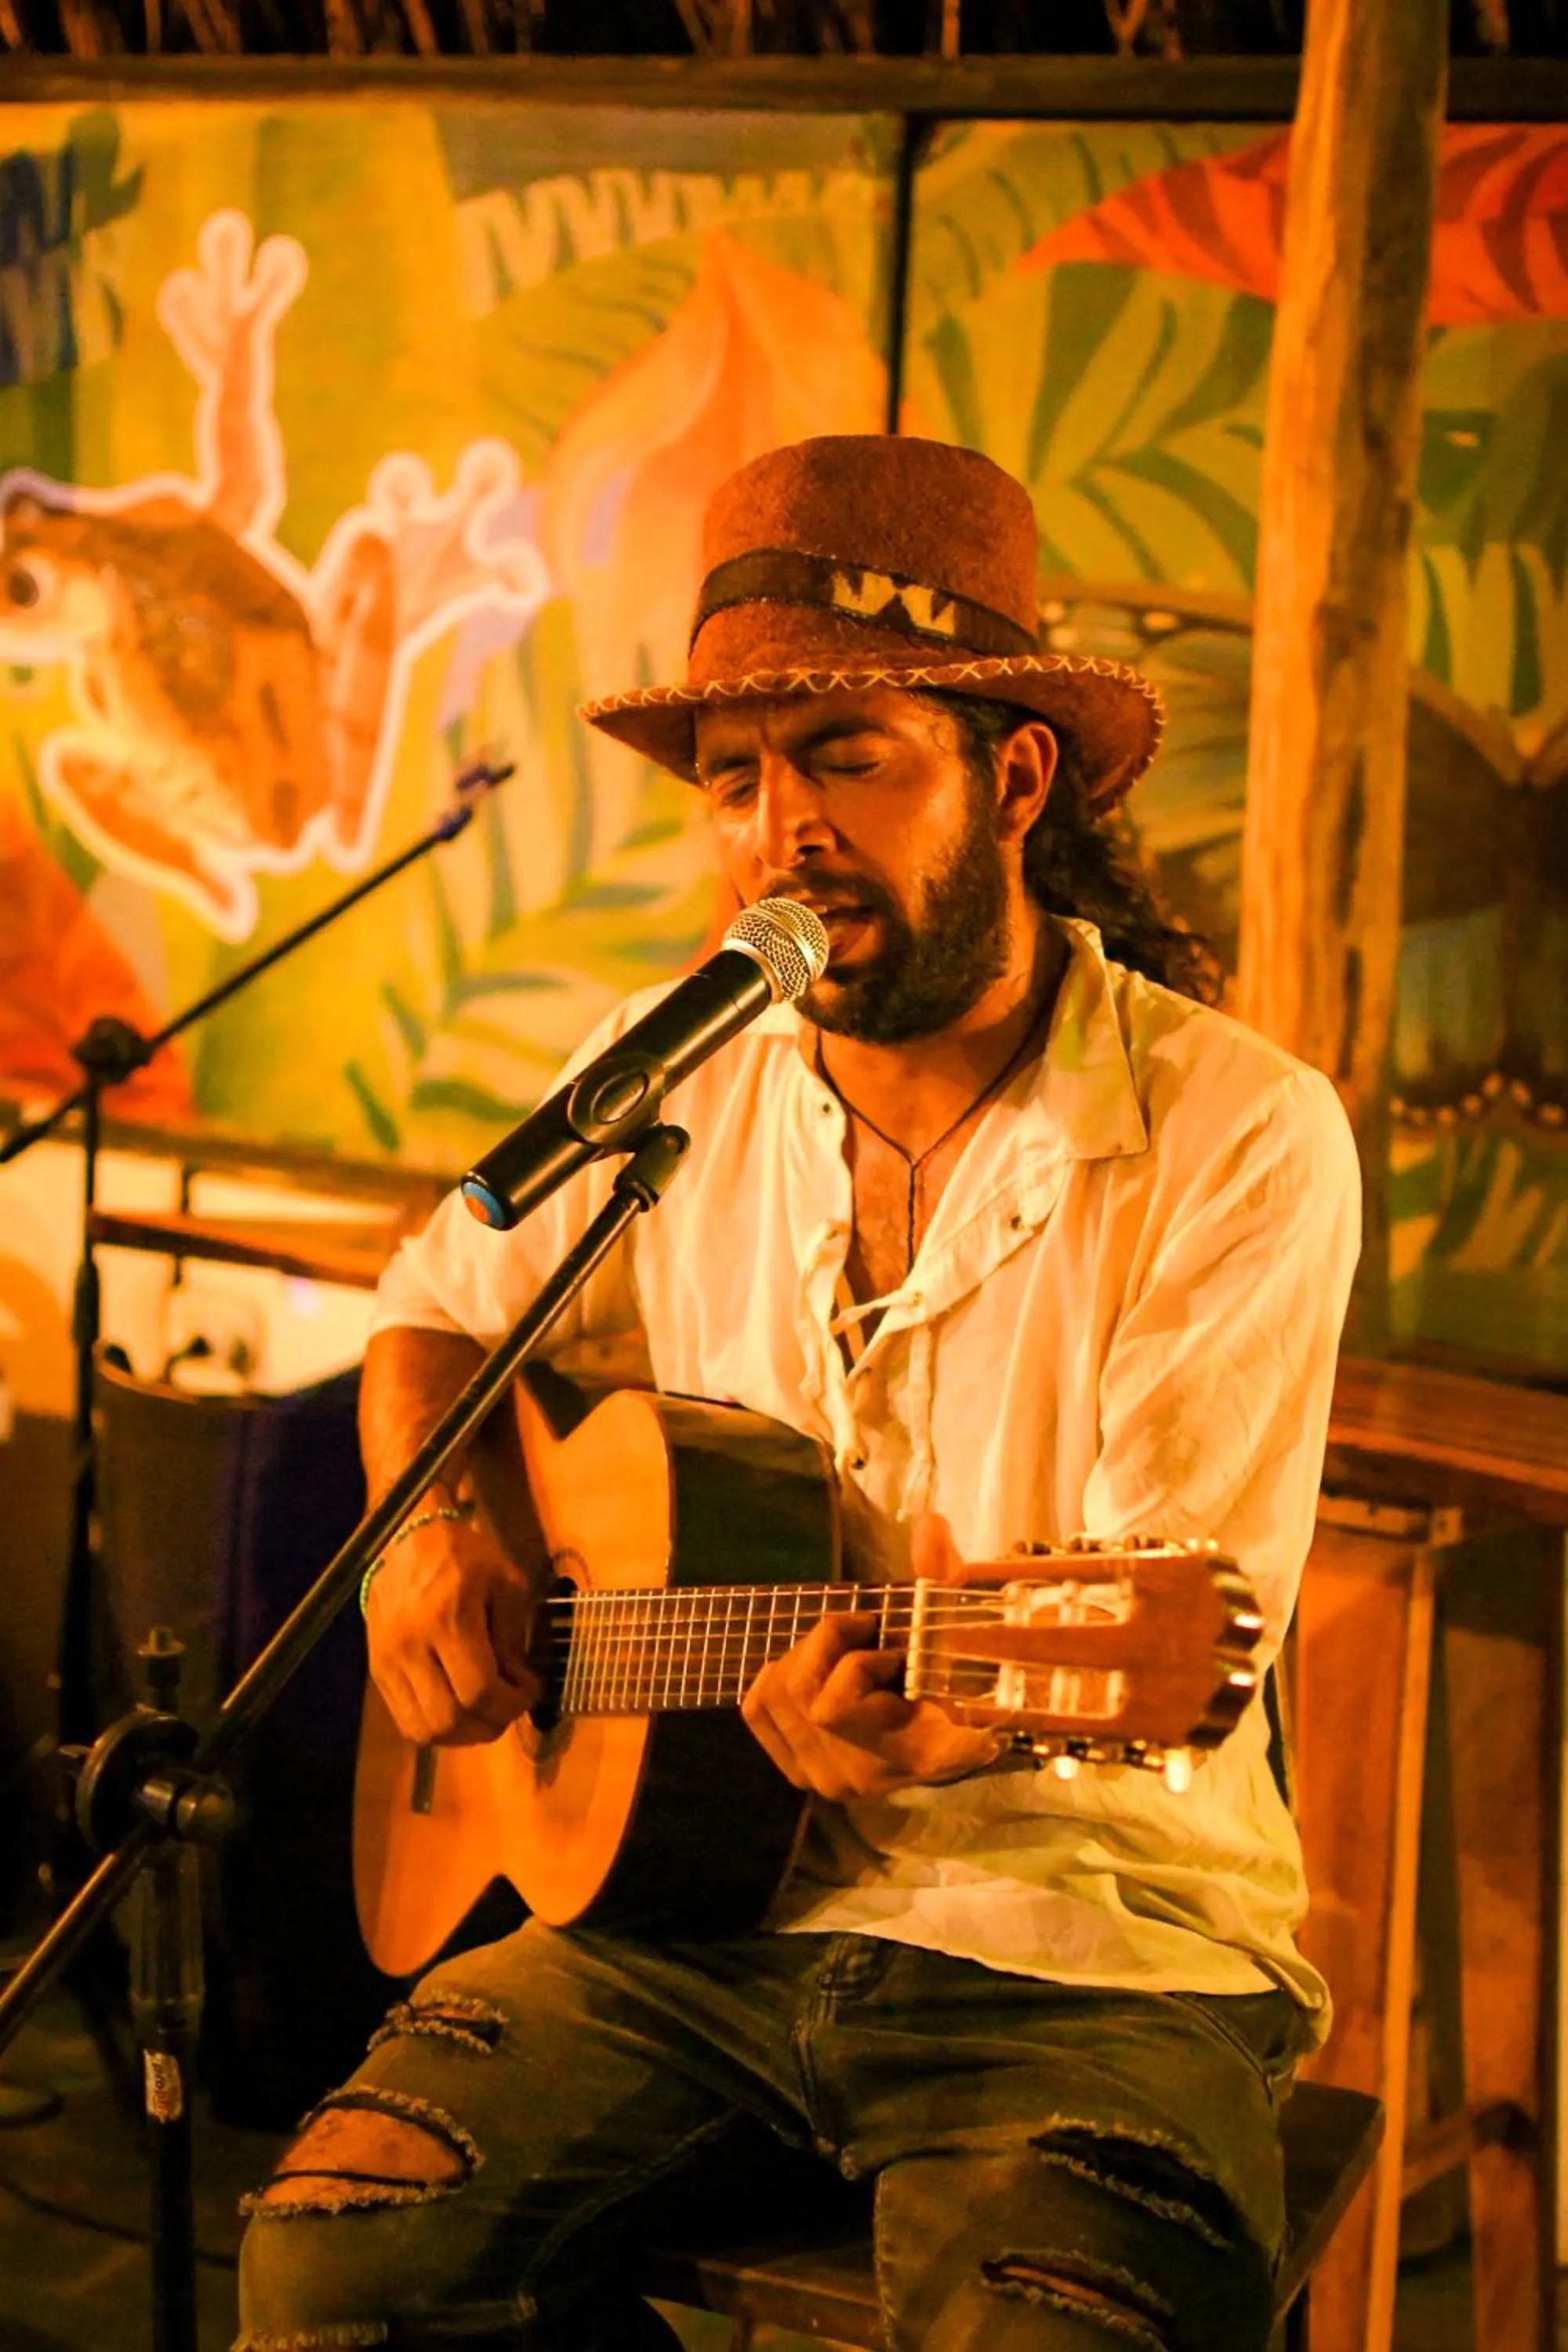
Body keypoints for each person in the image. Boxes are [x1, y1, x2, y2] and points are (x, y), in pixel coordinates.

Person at [236, 435, 1361, 2352]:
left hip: (1089, 1947)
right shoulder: (665, 1074)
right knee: (334, 2265)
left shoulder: (1236, 1134)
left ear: (1012, 776)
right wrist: (435, 1537)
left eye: (844, 753)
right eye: (736, 779)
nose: (781, 830)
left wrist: (959, 1726)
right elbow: (437, 1303)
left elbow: (1170, 1608)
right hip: (687, 1924)